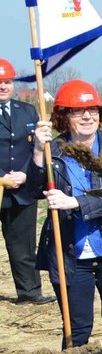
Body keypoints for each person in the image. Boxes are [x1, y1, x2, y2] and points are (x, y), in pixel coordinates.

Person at [26, 80, 102, 347]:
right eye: (79, 111)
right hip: (70, 255)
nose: (88, 117)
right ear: (64, 117)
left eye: (93, 110)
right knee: (76, 331)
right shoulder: (50, 151)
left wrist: (75, 203)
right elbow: (31, 192)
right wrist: (36, 153)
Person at [1, 58, 49, 304]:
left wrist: (24, 174)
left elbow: (37, 149)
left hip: (22, 189)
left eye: (7, 82)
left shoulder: (28, 111)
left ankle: (29, 292)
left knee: (23, 245)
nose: (3, 87)